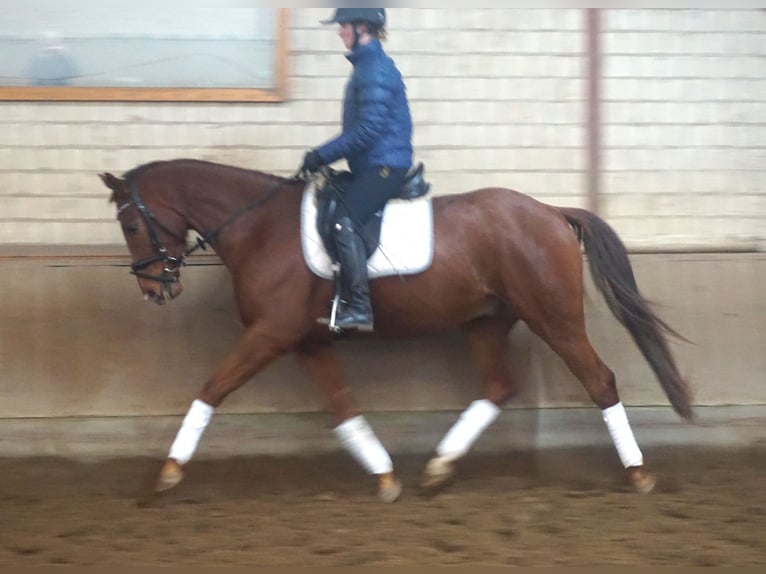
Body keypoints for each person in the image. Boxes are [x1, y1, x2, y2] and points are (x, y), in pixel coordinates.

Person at [301, 8, 414, 333]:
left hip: (385, 165)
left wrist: (321, 155)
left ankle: (361, 308)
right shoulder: (367, 66)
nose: (339, 32)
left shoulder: (374, 70)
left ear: (362, 26)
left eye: (342, 25)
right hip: (373, 163)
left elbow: (368, 131)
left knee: (343, 222)